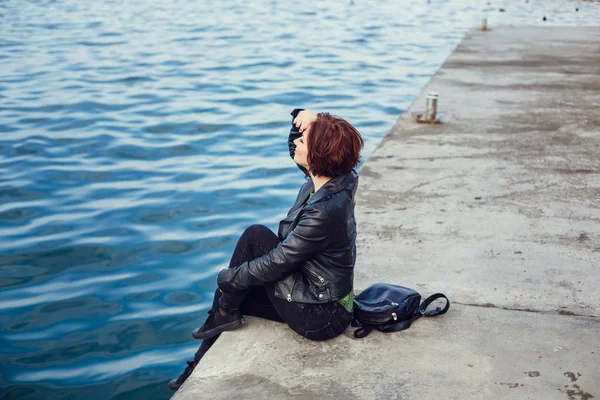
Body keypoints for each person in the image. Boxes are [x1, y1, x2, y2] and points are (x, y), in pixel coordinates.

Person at [169, 108, 364, 390]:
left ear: (318, 156)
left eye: (303, 141)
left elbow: (277, 262)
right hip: (321, 294)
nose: (296, 142)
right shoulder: (337, 180)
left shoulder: (323, 212)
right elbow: (295, 148)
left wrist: (227, 276)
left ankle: (209, 341)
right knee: (239, 287)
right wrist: (304, 118)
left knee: (251, 245)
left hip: (323, 316)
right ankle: (221, 319)